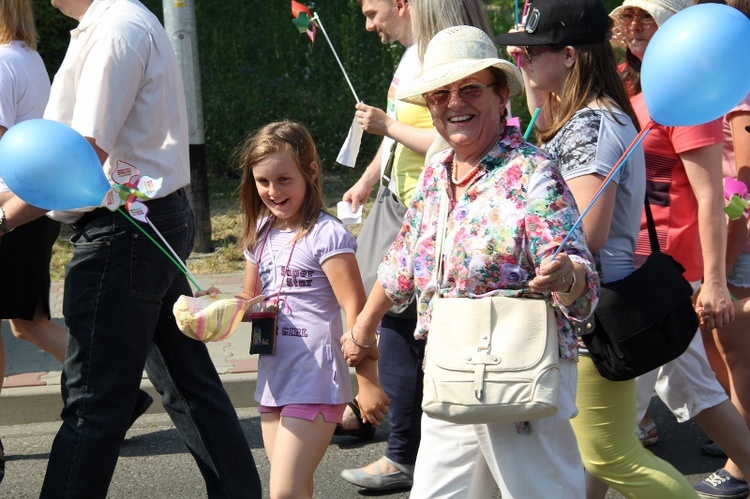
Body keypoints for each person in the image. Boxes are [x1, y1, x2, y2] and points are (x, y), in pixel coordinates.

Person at [0, 0, 262, 496]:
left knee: (94, 402)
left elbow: (79, 157)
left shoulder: (114, 30)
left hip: (122, 229)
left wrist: (5, 219)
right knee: (188, 386)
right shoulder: (114, 23)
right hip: (142, 218)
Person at [343, 25, 600, 497]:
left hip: (521, 373)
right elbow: (403, 261)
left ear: (502, 96)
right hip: (450, 368)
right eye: (440, 94)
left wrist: (567, 277)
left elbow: (581, 278)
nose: (453, 103)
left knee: (540, 491)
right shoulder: (439, 171)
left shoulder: (532, 173)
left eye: (470, 89)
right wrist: (363, 326)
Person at [497, 0, 699, 497]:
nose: (521, 59)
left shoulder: (593, 124)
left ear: (568, 56)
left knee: (610, 455)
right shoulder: (586, 116)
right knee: (586, 454)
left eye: (530, 51)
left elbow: (585, 232)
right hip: (585, 305)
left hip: (588, 309)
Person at [338, 0, 493, 491]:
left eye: (371, 10)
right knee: (397, 325)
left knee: (401, 329)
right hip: (408, 204)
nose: (369, 23)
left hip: (428, 210)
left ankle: (401, 445)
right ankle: (402, 439)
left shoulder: (440, 57)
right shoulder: (414, 57)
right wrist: (368, 180)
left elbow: (449, 142)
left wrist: (388, 126)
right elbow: (406, 138)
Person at [0, 2, 154, 482]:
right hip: (35, 205)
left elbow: (9, 141)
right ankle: (117, 391)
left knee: (27, 325)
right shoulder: (24, 56)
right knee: (28, 324)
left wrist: (5, 216)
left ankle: (110, 391)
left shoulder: (4, 61)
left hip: (19, 208)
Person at [202, 120, 389, 499]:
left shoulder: (327, 234)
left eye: (284, 179)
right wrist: (216, 307)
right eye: (263, 181)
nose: (273, 191)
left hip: (316, 379)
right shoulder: (261, 231)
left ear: (311, 172)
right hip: (274, 377)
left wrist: (368, 383)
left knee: (283, 492)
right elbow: (251, 300)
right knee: (296, 490)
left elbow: (356, 309)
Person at [611, 1, 750, 498]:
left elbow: (714, 194)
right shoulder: (632, 88)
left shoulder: (689, 95)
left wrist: (714, 281)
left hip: (662, 273)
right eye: (627, 16)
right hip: (638, 264)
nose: (633, 26)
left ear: (679, 28)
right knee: (703, 391)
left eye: (646, 16)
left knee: (610, 421)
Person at [694, 0, 750, 496]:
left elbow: (746, 181)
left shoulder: (739, 90)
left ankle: (740, 466)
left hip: (743, 234)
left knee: (739, 354)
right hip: (736, 231)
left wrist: (726, 264)